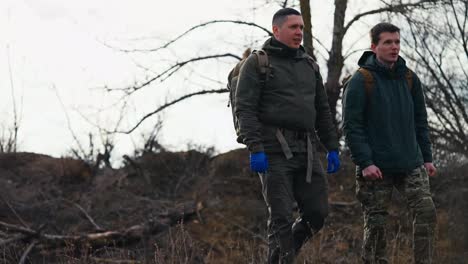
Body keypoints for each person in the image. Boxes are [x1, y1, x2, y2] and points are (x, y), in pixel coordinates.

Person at [235, 8, 340, 263]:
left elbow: (322, 110)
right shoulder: (258, 63)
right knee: (281, 217)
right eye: (293, 27)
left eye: (302, 28)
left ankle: (280, 257)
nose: (299, 33)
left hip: (306, 149)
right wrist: (255, 147)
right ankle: (284, 258)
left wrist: (332, 146)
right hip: (272, 150)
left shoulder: (309, 65)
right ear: (276, 30)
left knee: (317, 213)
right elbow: (244, 108)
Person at [342, 22, 437, 264]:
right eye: (388, 42)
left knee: (426, 212)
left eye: (397, 42)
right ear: (374, 47)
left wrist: (427, 158)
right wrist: (365, 162)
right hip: (376, 167)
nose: (394, 47)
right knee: (376, 224)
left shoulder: (409, 78)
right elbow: (352, 127)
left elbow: (420, 121)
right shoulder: (361, 81)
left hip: (411, 162)